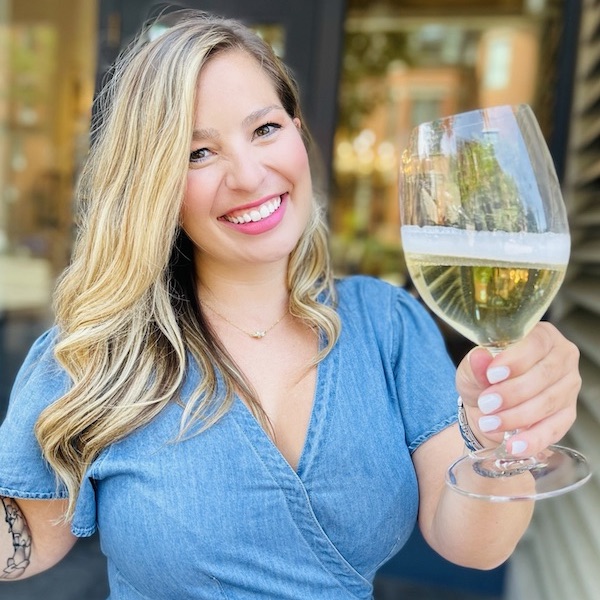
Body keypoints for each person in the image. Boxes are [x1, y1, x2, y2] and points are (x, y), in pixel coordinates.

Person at [0, 9, 581, 599]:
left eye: (265, 129)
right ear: (154, 188)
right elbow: (27, 542)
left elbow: (475, 545)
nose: (250, 175)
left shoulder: (386, 326)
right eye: (199, 153)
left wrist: (509, 435)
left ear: (298, 132)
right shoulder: (97, 354)